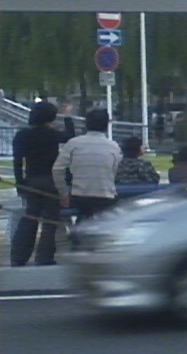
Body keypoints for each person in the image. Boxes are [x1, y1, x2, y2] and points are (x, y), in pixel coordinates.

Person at [10, 101, 71, 266]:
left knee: (30, 217)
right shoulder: (53, 134)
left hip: (31, 180)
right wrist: (68, 118)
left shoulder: (22, 135)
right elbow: (70, 137)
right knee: (50, 221)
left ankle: (19, 256)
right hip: (51, 180)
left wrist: (20, 183)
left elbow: (17, 162)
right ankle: (44, 256)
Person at [54, 108, 121, 223]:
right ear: (106, 125)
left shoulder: (73, 143)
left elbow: (57, 169)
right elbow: (114, 171)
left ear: (86, 124)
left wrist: (63, 192)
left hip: (79, 196)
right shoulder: (114, 146)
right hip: (105, 196)